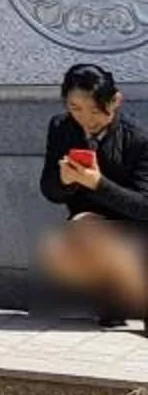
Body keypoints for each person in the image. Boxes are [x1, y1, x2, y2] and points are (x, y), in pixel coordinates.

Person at [40, 61, 148, 326]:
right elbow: (49, 191)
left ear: (115, 101)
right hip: (89, 227)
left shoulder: (138, 139)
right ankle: (115, 297)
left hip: (136, 228)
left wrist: (98, 184)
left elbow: (144, 207)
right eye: (75, 108)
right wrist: (64, 180)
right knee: (60, 245)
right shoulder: (62, 128)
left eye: (96, 110)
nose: (86, 119)